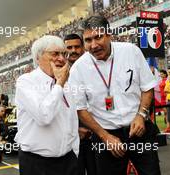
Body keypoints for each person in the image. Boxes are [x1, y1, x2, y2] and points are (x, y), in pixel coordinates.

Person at [69, 16, 161, 175]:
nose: (93, 45)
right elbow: (80, 109)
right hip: (105, 135)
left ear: (109, 34)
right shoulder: (78, 68)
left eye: (98, 37)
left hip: (139, 130)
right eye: (88, 40)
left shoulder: (131, 51)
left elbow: (147, 87)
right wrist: (105, 137)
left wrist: (141, 115)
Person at [15, 35, 79, 175]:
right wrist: (59, 84)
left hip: (68, 161)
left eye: (64, 54)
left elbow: (72, 120)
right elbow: (44, 116)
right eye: (55, 54)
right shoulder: (26, 81)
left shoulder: (67, 84)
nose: (61, 59)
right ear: (38, 57)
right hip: (37, 163)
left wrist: (75, 152)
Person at [64, 33, 96, 175]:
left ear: (83, 47)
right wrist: (75, 128)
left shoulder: (95, 68)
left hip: (96, 133)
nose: (73, 50)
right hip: (72, 137)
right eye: (69, 47)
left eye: (77, 46)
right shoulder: (58, 74)